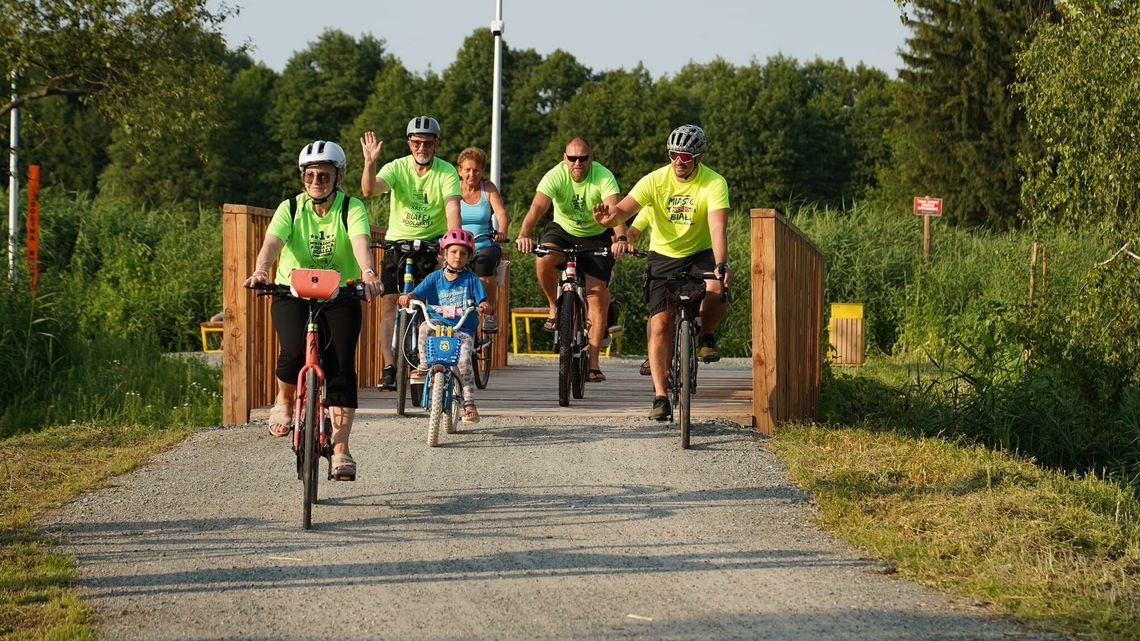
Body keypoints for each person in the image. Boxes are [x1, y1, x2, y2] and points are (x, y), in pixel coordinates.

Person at [243, 140, 382, 480]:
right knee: (291, 353)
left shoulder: (351, 208)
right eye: (309, 175)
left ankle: (341, 450)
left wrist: (368, 273)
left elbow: (361, 242)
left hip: (340, 293)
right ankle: (285, 401)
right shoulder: (290, 207)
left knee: (341, 370)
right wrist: (262, 269)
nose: (316, 181)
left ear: (338, 177)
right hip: (292, 290)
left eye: (324, 174)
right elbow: (271, 244)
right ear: (302, 177)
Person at [593, 124, 733, 420]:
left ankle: (706, 335)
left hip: (700, 254)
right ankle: (660, 396)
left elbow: (718, 227)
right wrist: (608, 220)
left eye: (684, 156)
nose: (678, 163)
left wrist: (721, 263)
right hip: (663, 257)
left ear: (698, 158)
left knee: (718, 290)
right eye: (673, 155)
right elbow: (623, 211)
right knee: (659, 325)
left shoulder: (714, 183)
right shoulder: (655, 180)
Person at [515, 137, 628, 383]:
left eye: (583, 158)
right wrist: (524, 234)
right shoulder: (555, 175)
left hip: (597, 235)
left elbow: (615, 210)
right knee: (543, 258)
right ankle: (554, 307)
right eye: (572, 158)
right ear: (564, 158)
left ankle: (594, 365)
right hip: (562, 232)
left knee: (598, 297)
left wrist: (620, 238)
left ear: (591, 158)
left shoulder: (603, 176)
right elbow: (537, 208)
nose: (577, 163)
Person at [360, 116, 462, 390]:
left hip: (431, 244)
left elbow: (452, 208)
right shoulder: (397, 167)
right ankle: (389, 365)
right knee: (390, 303)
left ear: (436, 144)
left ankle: (423, 362)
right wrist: (370, 163)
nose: (422, 148)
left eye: (427, 143)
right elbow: (369, 190)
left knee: (428, 307)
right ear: (409, 143)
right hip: (398, 242)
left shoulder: (446, 171)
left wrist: (451, 245)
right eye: (416, 142)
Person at [398, 229, 490, 423]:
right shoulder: (434, 278)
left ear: (469, 257)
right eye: (454, 252)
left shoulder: (471, 280)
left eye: (463, 253)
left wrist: (484, 305)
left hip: (462, 329)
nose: (458, 256)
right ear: (443, 254)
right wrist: (409, 297)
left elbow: (483, 299)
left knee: (464, 361)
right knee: (424, 328)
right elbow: (417, 293)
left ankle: (469, 403)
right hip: (438, 324)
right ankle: (424, 365)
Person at [456, 146, 509, 332]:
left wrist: (502, 230)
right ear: (459, 170)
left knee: (484, 268)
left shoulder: (487, 189)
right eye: (467, 170)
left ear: (482, 171)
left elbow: (502, 214)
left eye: (476, 170)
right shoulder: (453, 189)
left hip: (484, 243)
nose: (472, 174)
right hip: (458, 246)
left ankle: (489, 313)